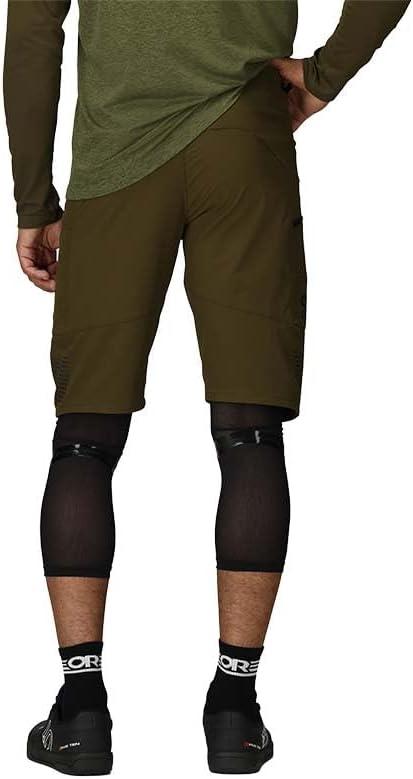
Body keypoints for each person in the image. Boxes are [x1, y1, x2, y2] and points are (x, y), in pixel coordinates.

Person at [4, 1, 410, 775]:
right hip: (243, 137)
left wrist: (33, 201)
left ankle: (80, 708)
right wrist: (325, 75)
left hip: (116, 156)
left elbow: (30, 33)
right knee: (250, 431)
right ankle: (235, 708)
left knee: (85, 437)